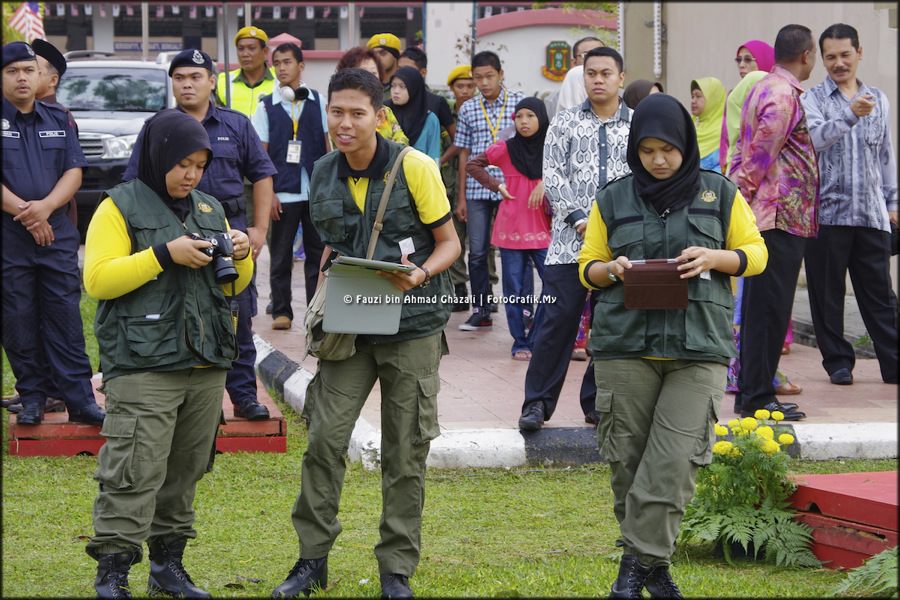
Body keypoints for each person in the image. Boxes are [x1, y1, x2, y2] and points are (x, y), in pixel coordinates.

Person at [270, 68, 460, 600]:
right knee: (324, 441)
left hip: (412, 324)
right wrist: (323, 302)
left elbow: (450, 243)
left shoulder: (415, 166)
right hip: (352, 321)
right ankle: (311, 562)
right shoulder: (323, 170)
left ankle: (396, 570)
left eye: (357, 113)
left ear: (379, 116)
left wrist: (420, 273)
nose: (345, 123)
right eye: (337, 112)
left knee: (405, 450)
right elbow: (333, 244)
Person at [578, 93, 767, 599]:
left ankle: (629, 574)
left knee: (674, 461)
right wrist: (610, 269)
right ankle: (654, 571)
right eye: (647, 151)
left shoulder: (719, 192)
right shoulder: (612, 198)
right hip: (625, 345)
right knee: (627, 464)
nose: (658, 160)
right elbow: (587, 267)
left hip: (698, 346)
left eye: (668, 149)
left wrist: (715, 257)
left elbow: (756, 254)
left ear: (685, 143)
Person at [83, 109, 253, 598]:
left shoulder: (209, 208)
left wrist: (241, 253)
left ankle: (167, 568)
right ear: (159, 156)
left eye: (200, 166)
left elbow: (233, 286)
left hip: (205, 361)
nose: (191, 175)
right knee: (134, 469)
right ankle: (113, 572)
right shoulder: (119, 206)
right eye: (183, 164)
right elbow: (98, 280)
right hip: (144, 363)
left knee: (185, 469)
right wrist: (163, 254)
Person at [123, 49, 277, 420]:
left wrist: (258, 229)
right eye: (179, 78)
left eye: (195, 77)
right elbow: (133, 182)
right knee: (178, 312)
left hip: (226, 229)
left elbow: (261, 174)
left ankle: (243, 396)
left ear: (212, 81)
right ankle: (191, 401)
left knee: (235, 315)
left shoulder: (235, 124)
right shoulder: (157, 126)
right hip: (174, 231)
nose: (187, 84)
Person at [518, 46, 632, 431]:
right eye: (591, 73)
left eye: (606, 73)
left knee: (610, 325)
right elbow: (552, 174)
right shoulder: (564, 122)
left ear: (621, 78)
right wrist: (579, 218)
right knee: (556, 324)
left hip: (619, 248)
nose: (598, 80)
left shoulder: (636, 125)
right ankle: (536, 403)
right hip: (569, 243)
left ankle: (596, 403)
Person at [1, 41, 106, 427]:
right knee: (18, 316)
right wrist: (29, 214)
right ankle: (32, 397)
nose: (22, 77)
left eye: (29, 70)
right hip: (10, 236)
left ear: (40, 75)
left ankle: (80, 400)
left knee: (64, 317)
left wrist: (45, 208)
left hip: (55, 234)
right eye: (13, 71)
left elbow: (74, 172)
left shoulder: (58, 118)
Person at [730, 24, 820, 421]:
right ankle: (757, 398)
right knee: (769, 311)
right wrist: (740, 197)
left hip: (772, 215)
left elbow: (741, 147)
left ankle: (752, 392)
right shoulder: (783, 94)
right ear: (806, 55)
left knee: (760, 310)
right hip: (778, 216)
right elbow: (760, 155)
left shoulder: (762, 87)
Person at [801, 23, 898, 385]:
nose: (839, 63)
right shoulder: (812, 99)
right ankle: (838, 362)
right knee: (827, 295)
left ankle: (893, 362)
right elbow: (815, 139)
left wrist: (893, 202)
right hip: (826, 215)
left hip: (872, 214)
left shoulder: (879, 98)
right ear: (822, 59)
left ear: (859, 53)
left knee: (881, 296)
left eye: (845, 55)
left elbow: (885, 153)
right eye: (831, 57)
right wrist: (850, 114)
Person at [466, 97, 552, 360]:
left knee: (554, 285)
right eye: (519, 117)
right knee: (512, 289)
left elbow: (568, 171)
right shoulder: (505, 148)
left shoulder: (552, 148)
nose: (523, 122)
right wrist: (497, 186)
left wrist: (545, 182)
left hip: (543, 229)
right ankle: (520, 341)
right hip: (510, 229)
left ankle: (535, 336)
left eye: (530, 116)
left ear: (541, 118)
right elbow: (473, 165)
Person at [252, 43, 329, 331]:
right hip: (282, 192)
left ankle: (315, 310)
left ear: (301, 65)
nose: (282, 68)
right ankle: (281, 311)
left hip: (315, 191)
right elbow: (261, 156)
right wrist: (269, 192)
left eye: (287, 62)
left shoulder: (318, 101)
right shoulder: (266, 105)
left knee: (317, 255)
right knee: (281, 254)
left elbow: (328, 146)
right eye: (277, 63)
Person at [454, 50, 524, 330]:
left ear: (501, 74)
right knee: (477, 252)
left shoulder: (519, 103)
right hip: (476, 188)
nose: (483, 83)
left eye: (489, 76)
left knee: (514, 249)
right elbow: (464, 153)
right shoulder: (468, 108)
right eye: (478, 78)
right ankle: (481, 309)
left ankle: (523, 310)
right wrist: (461, 197)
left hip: (511, 186)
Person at [441, 65, 477, 311]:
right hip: (448, 184)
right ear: (452, 89)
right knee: (453, 235)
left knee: (482, 240)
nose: (465, 91)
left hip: (474, 182)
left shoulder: (479, 113)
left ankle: (486, 289)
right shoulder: (445, 115)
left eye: (469, 86)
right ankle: (459, 288)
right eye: (460, 86)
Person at [335, 47, 408, 145]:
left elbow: (402, 141)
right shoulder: (339, 113)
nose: (370, 79)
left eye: (374, 73)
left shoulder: (385, 112)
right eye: (363, 73)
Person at [215, 26, 276, 117]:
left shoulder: (279, 80)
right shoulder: (224, 80)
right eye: (241, 49)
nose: (245, 54)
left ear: (265, 52)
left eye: (252, 48)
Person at [398, 46, 456, 139]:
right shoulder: (391, 102)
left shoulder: (437, 102)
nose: (402, 74)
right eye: (399, 69)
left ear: (423, 72)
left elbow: (456, 140)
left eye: (408, 69)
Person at [386, 66, 441, 162]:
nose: (396, 91)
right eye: (393, 86)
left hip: (419, 170)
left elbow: (433, 156)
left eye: (402, 87)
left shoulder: (429, 119)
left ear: (414, 88)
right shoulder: (384, 113)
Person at [556, 36, 606, 112]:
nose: (596, 59)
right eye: (587, 55)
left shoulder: (620, 95)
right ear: (574, 62)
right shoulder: (554, 100)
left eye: (601, 54)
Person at [689, 77, 726, 172]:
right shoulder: (689, 126)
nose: (693, 101)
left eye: (698, 96)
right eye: (692, 96)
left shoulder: (724, 130)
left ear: (713, 99)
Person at [367, 32, 402, 101]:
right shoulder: (367, 84)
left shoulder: (406, 84)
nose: (378, 58)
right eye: (374, 54)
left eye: (383, 53)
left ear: (395, 56)